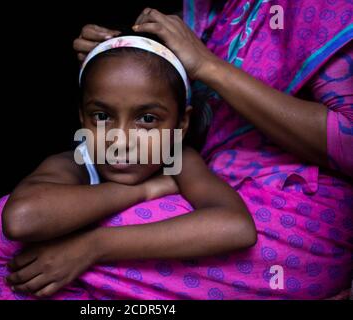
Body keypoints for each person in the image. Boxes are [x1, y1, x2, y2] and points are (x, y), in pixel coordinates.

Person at [69, 1, 353, 299]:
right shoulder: (211, 10)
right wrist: (113, 60)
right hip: (212, 191)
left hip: (293, 213)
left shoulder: (317, 6)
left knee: (47, 249)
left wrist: (208, 66)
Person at [0, 34, 257, 300]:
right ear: (82, 118)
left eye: (147, 119)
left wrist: (94, 246)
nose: (120, 140)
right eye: (101, 116)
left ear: (181, 124)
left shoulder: (180, 159)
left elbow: (236, 227)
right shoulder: (76, 163)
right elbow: (21, 219)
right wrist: (143, 191)